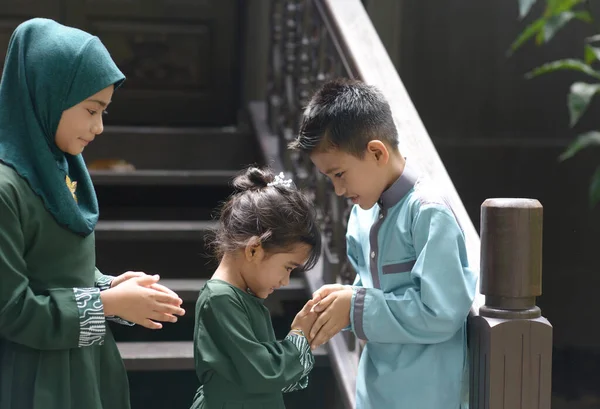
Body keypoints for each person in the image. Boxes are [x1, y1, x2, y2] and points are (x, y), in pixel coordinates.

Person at [0, 18, 185, 409]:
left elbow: (56, 271)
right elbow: (12, 311)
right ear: (49, 95)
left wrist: (110, 286)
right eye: (91, 109)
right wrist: (109, 305)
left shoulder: (59, 169)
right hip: (33, 379)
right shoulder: (6, 189)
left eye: (104, 111)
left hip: (83, 364)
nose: (99, 127)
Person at [289, 78, 478, 409]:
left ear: (376, 151)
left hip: (430, 397)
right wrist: (340, 307)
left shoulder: (428, 213)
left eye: (340, 174)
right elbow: (369, 293)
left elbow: (442, 313)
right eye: (329, 178)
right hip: (375, 393)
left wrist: (356, 306)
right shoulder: (360, 216)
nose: (337, 190)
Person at [191, 167, 322, 409]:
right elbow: (263, 374)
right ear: (254, 249)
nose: (285, 281)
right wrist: (298, 337)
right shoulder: (220, 299)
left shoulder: (238, 297)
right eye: (288, 267)